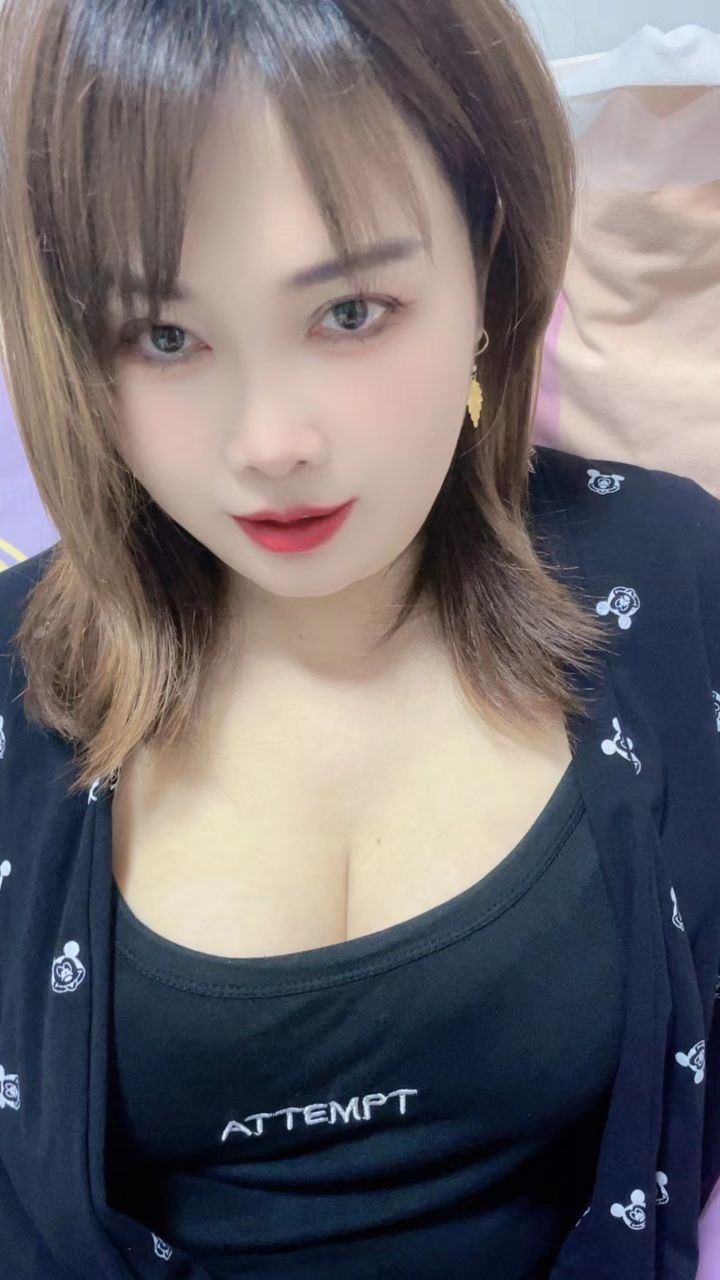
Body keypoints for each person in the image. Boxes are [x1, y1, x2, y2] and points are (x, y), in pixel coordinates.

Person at [0, 2, 718, 1277]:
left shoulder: (673, 579)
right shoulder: (15, 681)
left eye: (349, 311)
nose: (269, 441)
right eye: (164, 335)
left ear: (489, 258)